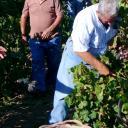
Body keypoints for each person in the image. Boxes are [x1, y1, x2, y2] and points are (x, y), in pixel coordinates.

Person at [49, 0, 119, 124]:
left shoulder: (113, 16)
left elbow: (111, 34)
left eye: (111, 20)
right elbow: (80, 50)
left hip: (97, 53)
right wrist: (102, 67)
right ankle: (56, 123)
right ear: (98, 12)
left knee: (94, 90)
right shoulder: (85, 18)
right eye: (106, 20)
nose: (109, 23)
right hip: (76, 53)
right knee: (64, 92)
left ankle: (89, 121)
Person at [20, 0, 63, 94]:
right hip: (35, 39)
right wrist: (23, 34)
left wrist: (49, 30)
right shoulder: (29, 0)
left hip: (53, 38)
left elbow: (60, 15)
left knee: (54, 63)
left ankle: (52, 86)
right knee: (37, 63)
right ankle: (40, 88)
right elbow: (24, 16)